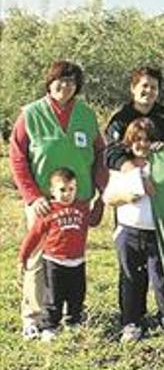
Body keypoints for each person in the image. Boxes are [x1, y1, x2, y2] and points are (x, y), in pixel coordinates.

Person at [8, 60, 108, 340]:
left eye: (72, 81)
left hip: (79, 200)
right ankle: (33, 316)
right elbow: (17, 158)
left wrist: (100, 189)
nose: (65, 86)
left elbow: (100, 153)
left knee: (71, 258)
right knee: (39, 258)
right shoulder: (31, 114)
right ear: (49, 82)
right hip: (44, 202)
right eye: (60, 80)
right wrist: (32, 195)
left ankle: (68, 313)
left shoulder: (86, 115)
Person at [103, 118, 164, 344]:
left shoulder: (161, 165)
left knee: (162, 279)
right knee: (131, 279)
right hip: (128, 233)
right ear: (129, 142)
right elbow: (108, 198)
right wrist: (128, 196)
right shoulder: (122, 168)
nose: (142, 144)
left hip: (157, 233)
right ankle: (131, 322)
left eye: (147, 139)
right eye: (137, 139)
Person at [18, 168, 103, 342]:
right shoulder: (49, 210)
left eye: (71, 189)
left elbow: (94, 220)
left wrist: (101, 201)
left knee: (77, 294)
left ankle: (73, 322)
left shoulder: (81, 207)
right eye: (62, 190)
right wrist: (23, 257)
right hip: (54, 261)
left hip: (77, 261)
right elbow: (34, 236)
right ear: (52, 191)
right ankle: (50, 327)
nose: (67, 194)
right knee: (54, 297)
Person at [104, 66, 164, 170]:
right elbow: (111, 152)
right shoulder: (121, 119)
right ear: (133, 88)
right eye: (145, 86)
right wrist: (134, 173)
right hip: (132, 181)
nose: (148, 91)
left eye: (153, 87)